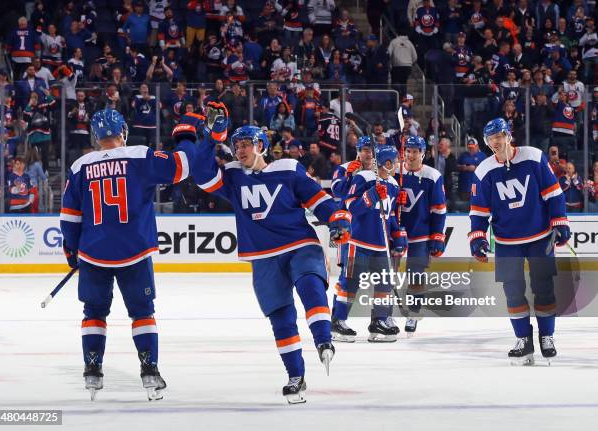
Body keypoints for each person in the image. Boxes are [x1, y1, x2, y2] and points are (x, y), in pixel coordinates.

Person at [174, 107, 351, 403]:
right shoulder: (231, 175)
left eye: (246, 144)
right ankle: (296, 376)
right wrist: (212, 137)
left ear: (261, 146)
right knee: (280, 318)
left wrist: (338, 220)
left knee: (310, 286)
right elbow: (203, 175)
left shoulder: (288, 168)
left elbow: (320, 201)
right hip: (263, 256)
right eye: (236, 145)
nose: (240, 149)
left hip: (299, 244)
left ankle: (323, 339)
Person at [60, 108, 195, 401]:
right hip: (135, 250)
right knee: (143, 312)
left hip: (94, 253)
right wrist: (186, 137)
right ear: (122, 130)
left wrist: (72, 252)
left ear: (96, 136)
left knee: (93, 313)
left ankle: (92, 371)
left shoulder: (80, 165)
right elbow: (181, 167)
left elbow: (70, 216)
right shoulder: (139, 154)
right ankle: (149, 369)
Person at [469, 118, 570, 366]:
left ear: (508, 135)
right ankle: (523, 339)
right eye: (491, 138)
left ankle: (547, 336)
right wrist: (478, 237)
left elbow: (554, 193)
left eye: (499, 136)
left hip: (539, 237)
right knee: (513, 292)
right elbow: (479, 211)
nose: (496, 142)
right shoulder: (483, 170)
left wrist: (560, 221)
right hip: (506, 241)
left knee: (543, 288)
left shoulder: (533, 157)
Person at [332, 141, 407, 342]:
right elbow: (350, 206)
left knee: (385, 283)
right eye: (393, 160)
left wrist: (396, 234)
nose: (396, 164)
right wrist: (370, 196)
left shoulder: (393, 184)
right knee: (350, 282)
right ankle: (337, 321)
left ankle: (379, 321)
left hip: (381, 244)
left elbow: (390, 215)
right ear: (384, 161)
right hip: (359, 240)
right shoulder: (363, 178)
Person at [396, 135, 447, 335]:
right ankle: (384, 314)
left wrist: (437, 236)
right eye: (408, 151)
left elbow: (439, 209)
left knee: (415, 276)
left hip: (420, 234)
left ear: (423, 154)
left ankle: (413, 313)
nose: (410, 155)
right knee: (386, 274)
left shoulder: (432, 175)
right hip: (395, 233)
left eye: (415, 151)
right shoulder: (395, 171)